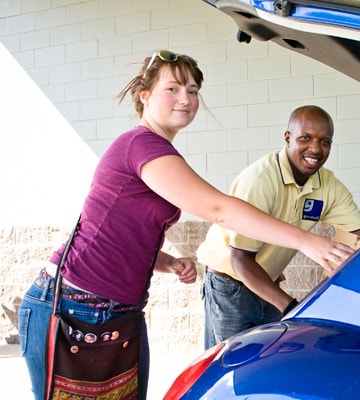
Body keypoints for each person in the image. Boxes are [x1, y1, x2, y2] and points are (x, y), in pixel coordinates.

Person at [18, 52, 354, 400]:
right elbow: (217, 208)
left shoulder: (158, 150)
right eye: (173, 88)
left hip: (120, 311)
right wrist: (306, 241)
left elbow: (123, 230)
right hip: (74, 304)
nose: (186, 99)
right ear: (144, 95)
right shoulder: (139, 144)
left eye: (193, 91)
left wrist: (166, 261)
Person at [197, 105, 360, 350]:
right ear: (288, 138)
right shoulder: (260, 180)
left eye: (324, 142)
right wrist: (291, 307)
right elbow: (241, 259)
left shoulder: (328, 185)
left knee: (266, 357)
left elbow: (356, 233)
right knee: (231, 363)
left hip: (268, 282)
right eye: (305, 138)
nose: (315, 149)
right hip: (229, 282)